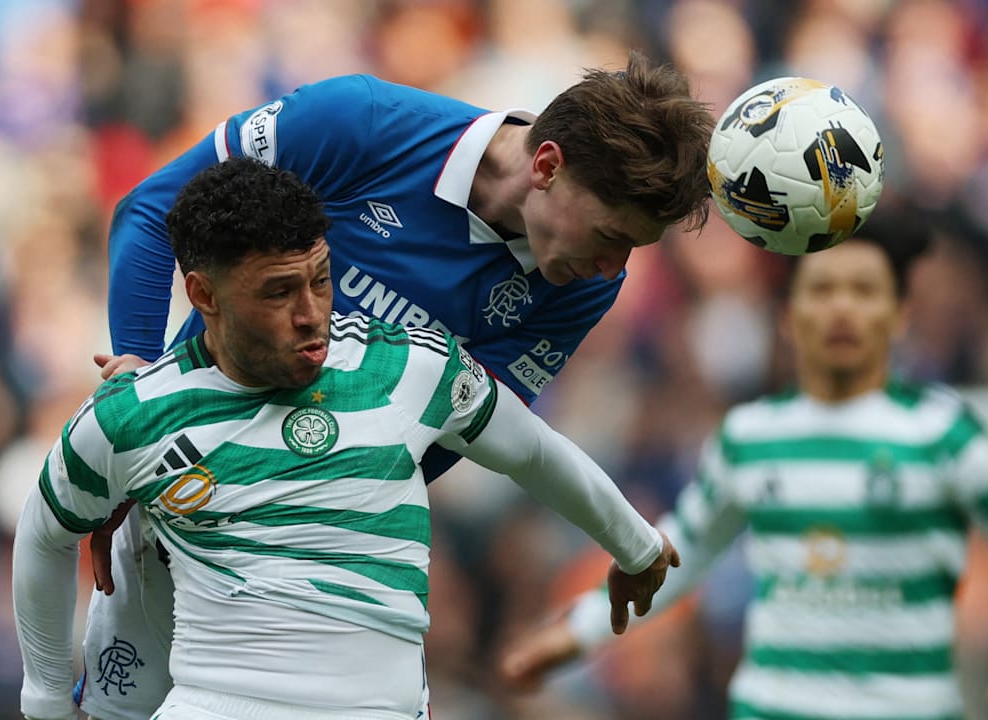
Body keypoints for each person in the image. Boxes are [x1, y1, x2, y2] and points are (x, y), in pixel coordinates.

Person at [81, 50, 715, 720]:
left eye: (633, 250)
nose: (613, 268)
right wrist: (139, 395)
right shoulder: (361, 122)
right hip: (179, 493)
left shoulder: (576, 285)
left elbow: (461, 431)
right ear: (547, 166)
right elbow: (154, 211)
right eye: (612, 236)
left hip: (324, 555)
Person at [501, 221, 988, 720]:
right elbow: (677, 558)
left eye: (864, 290)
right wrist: (576, 634)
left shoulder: (945, 432)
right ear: (788, 316)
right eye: (823, 290)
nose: (842, 308)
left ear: (900, 314)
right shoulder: (749, 437)